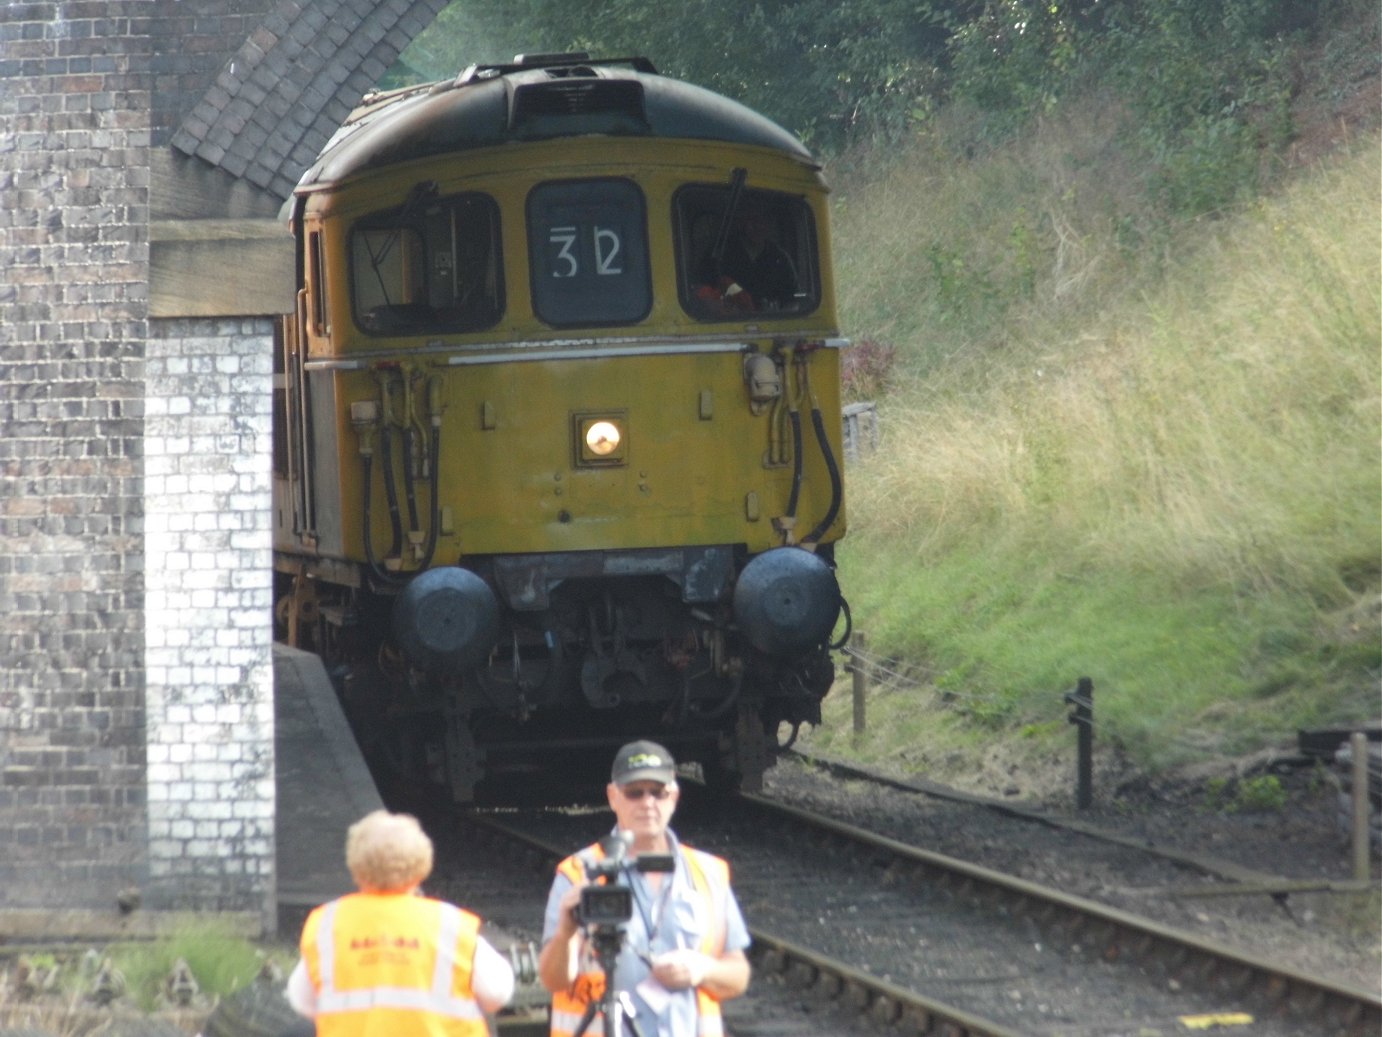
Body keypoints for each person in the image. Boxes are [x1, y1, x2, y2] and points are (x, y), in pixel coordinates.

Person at [538, 740, 751, 1037]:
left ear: (673, 796)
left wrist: (702, 970)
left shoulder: (708, 873)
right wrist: (565, 933)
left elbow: (738, 975)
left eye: (658, 792)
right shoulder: (579, 873)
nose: (647, 802)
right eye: (634, 793)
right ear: (613, 797)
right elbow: (553, 980)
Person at [286, 809, 515, 1035]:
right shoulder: (450, 924)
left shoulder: (328, 924)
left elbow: (302, 1000)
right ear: (422, 866)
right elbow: (497, 993)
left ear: (356, 868)